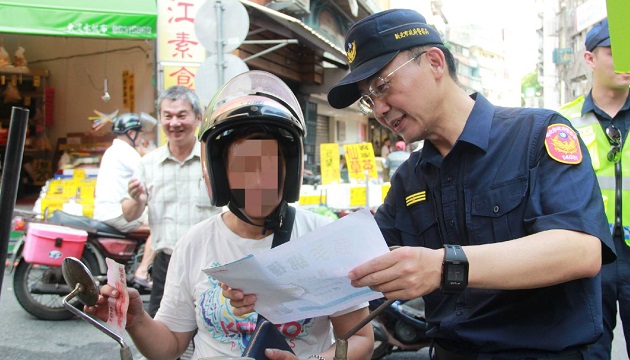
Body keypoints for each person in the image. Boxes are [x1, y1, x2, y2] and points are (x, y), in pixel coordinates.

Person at [327, 9, 616, 359]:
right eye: (369, 99)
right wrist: (270, 289)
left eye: (383, 87)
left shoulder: (536, 135)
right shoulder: (409, 179)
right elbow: (356, 265)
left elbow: (580, 250)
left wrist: (443, 267)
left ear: (435, 62)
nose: (381, 109)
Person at [87, 71, 373, 360]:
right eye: (243, 167)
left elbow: (360, 337)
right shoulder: (195, 243)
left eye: (269, 165)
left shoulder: (323, 238)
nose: (258, 180)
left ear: (290, 169)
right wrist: (136, 321)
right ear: (220, 175)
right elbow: (170, 346)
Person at [558, 18, 630, 360]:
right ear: (589, 59)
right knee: (589, 351)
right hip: (589, 255)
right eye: (615, 52)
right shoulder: (562, 122)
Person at [122, 85, 222, 318]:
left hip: (211, 263)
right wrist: (137, 199)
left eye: (181, 115)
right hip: (166, 264)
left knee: (211, 329)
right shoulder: (148, 164)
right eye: (167, 116)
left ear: (198, 118)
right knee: (162, 334)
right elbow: (129, 214)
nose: (174, 122)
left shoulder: (215, 161)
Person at [93, 112, 156, 286]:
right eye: (140, 132)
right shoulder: (125, 151)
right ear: (131, 132)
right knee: (160, 227)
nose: (141, 136)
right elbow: (149, 173)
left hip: (106, 210)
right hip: (116, 212)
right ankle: (143, 272)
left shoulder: (114, 150)